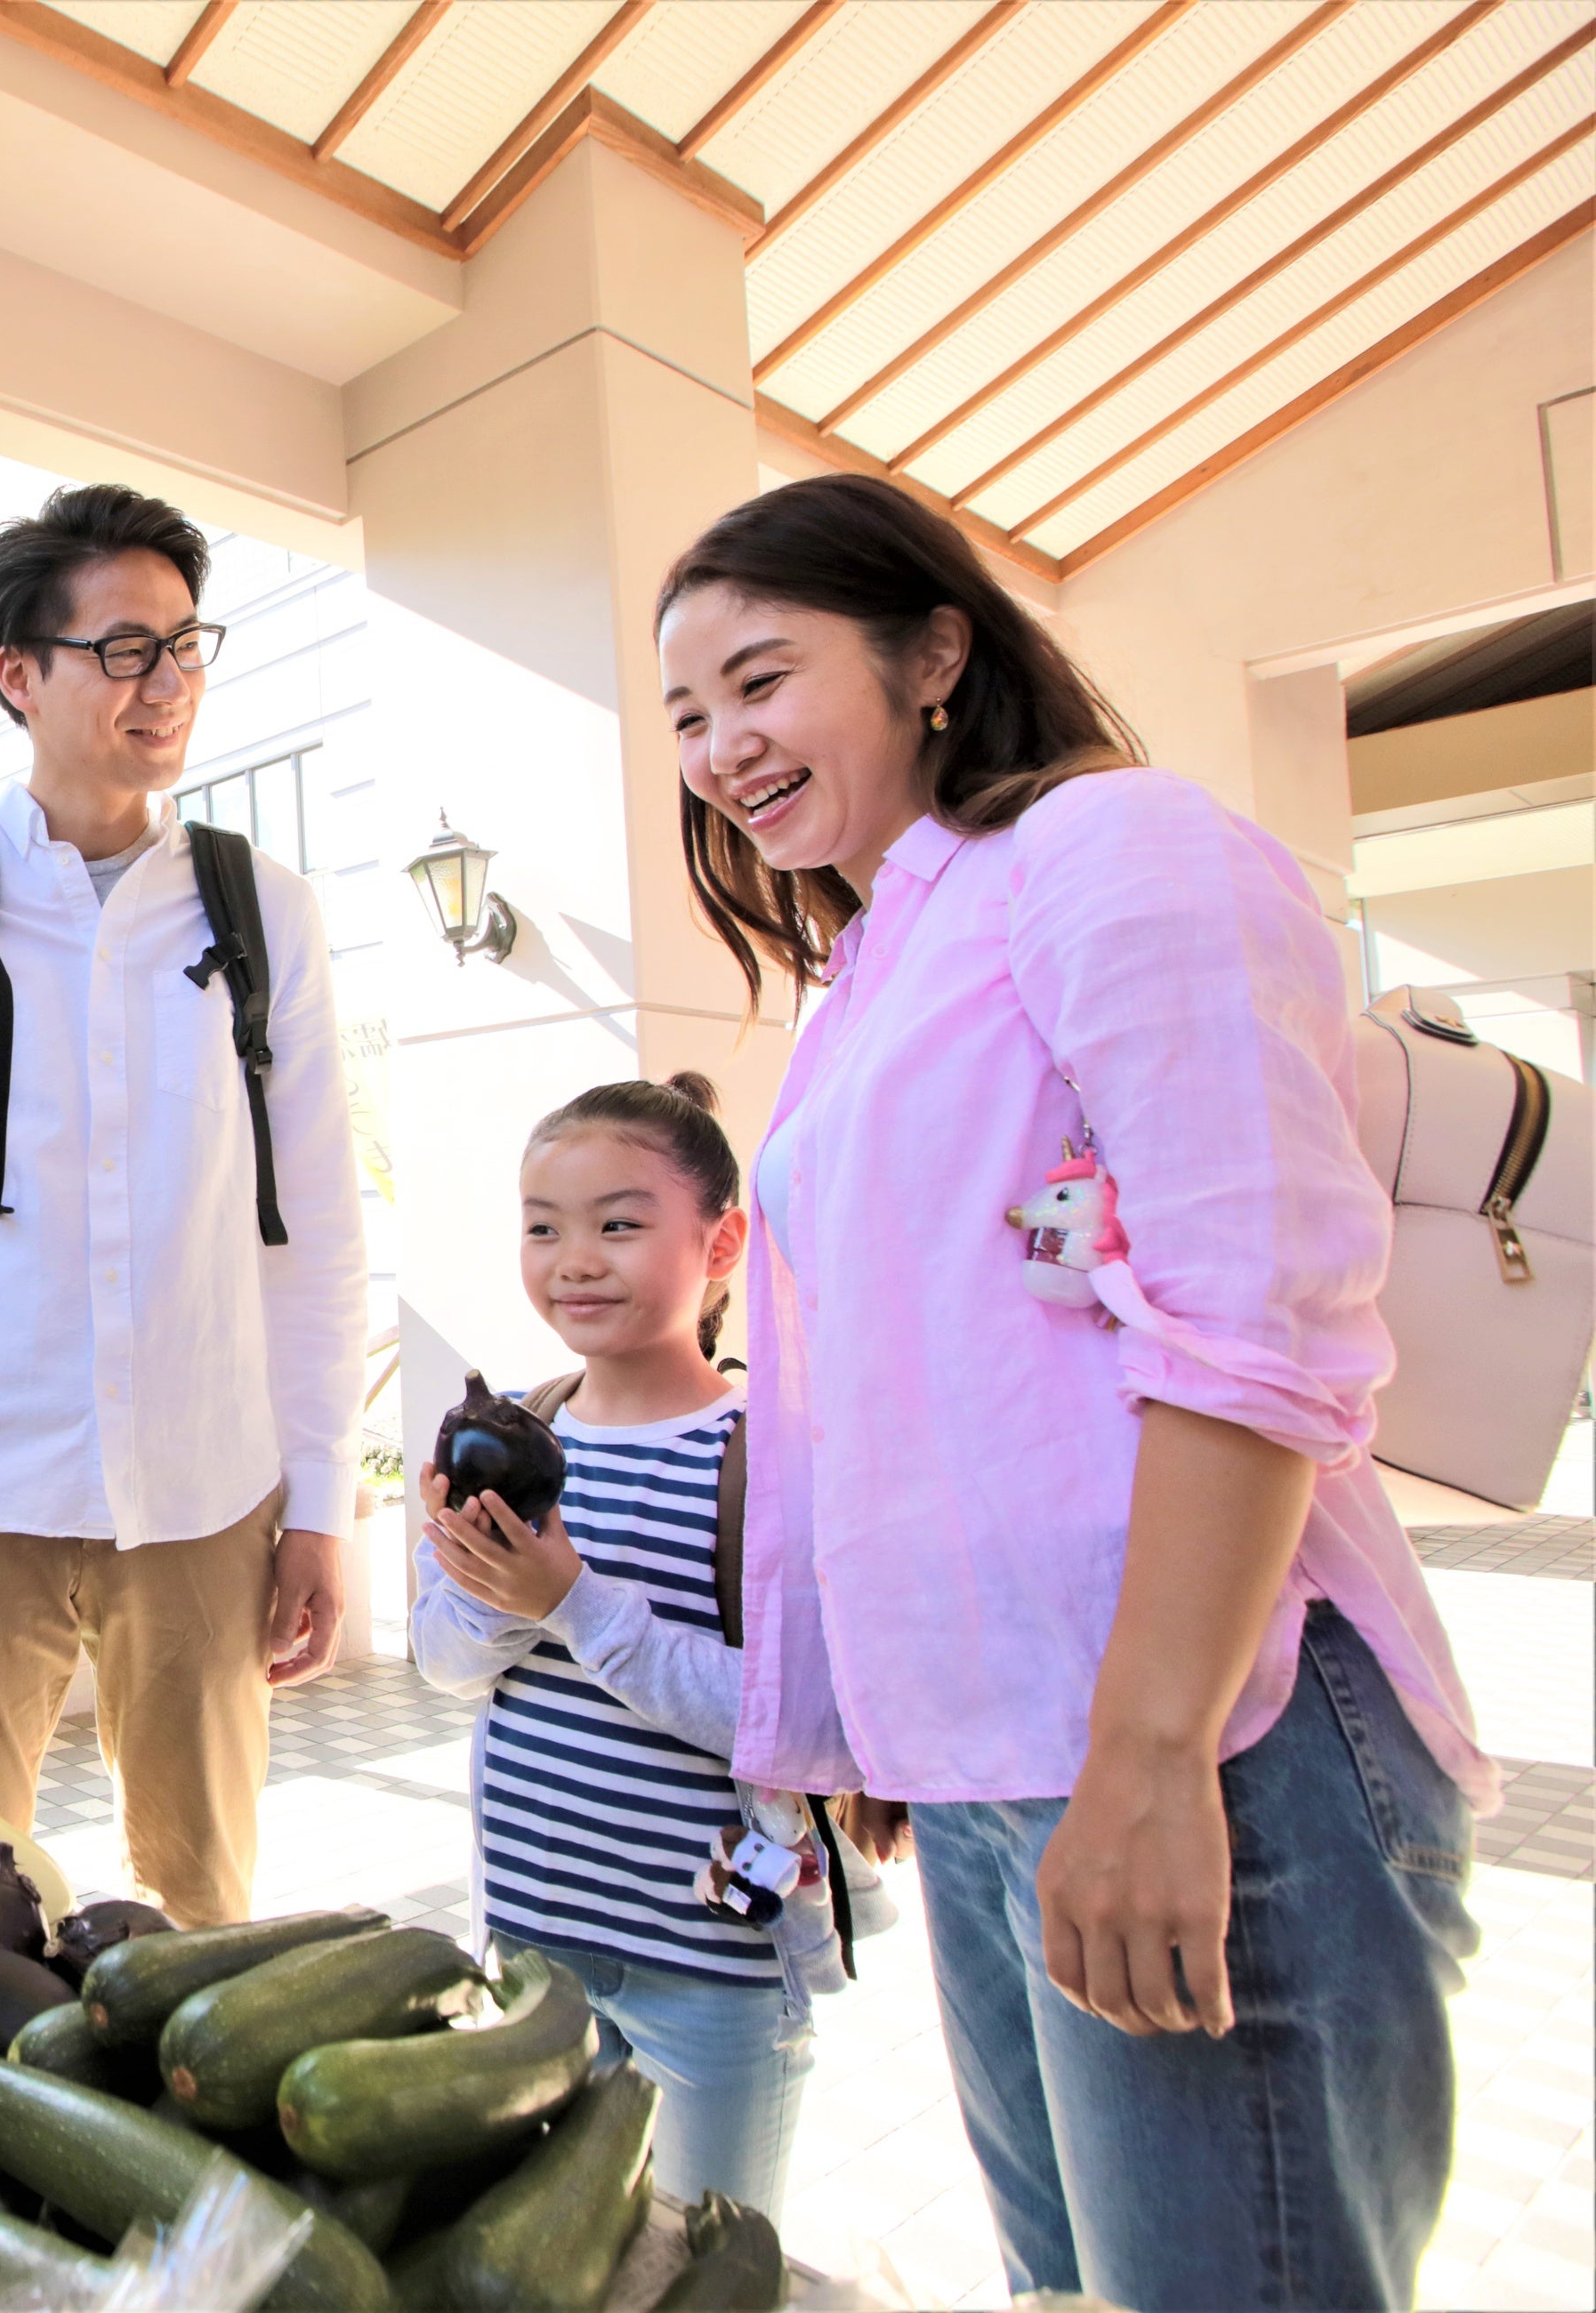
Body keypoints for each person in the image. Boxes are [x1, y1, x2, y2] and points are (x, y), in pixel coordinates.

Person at [657, 474, 1493, 2309]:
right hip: (997, 1761)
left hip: (1208, 1737)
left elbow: (1256, 1315)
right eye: (689, 716)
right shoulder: (870, 962)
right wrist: (882, 1724)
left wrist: (1146, 1756)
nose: (722, 747)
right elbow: (899, 1379)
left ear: (935, 652)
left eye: (762, 679)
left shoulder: (1113, 852)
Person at [0, 483, 366, 1927]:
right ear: (19, 674)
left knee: (204, 1915)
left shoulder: (263, 915)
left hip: (207, 1487)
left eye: (184, 646)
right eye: (124, 649)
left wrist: (322, 1502)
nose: (166, 683)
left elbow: (314, 1238)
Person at [411, 1073, 826, 2220]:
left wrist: (575, 1600)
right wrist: (505, 1590)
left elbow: (797, 1725)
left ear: (723, 1240)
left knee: (705, 2263)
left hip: (714, 1970)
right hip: (530, 1949)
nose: (574, 1259)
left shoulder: (769, 1455)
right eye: (543, 1227)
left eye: (620, 1224)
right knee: (550, 2261)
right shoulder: (509, 1436)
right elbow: (443, 1663)